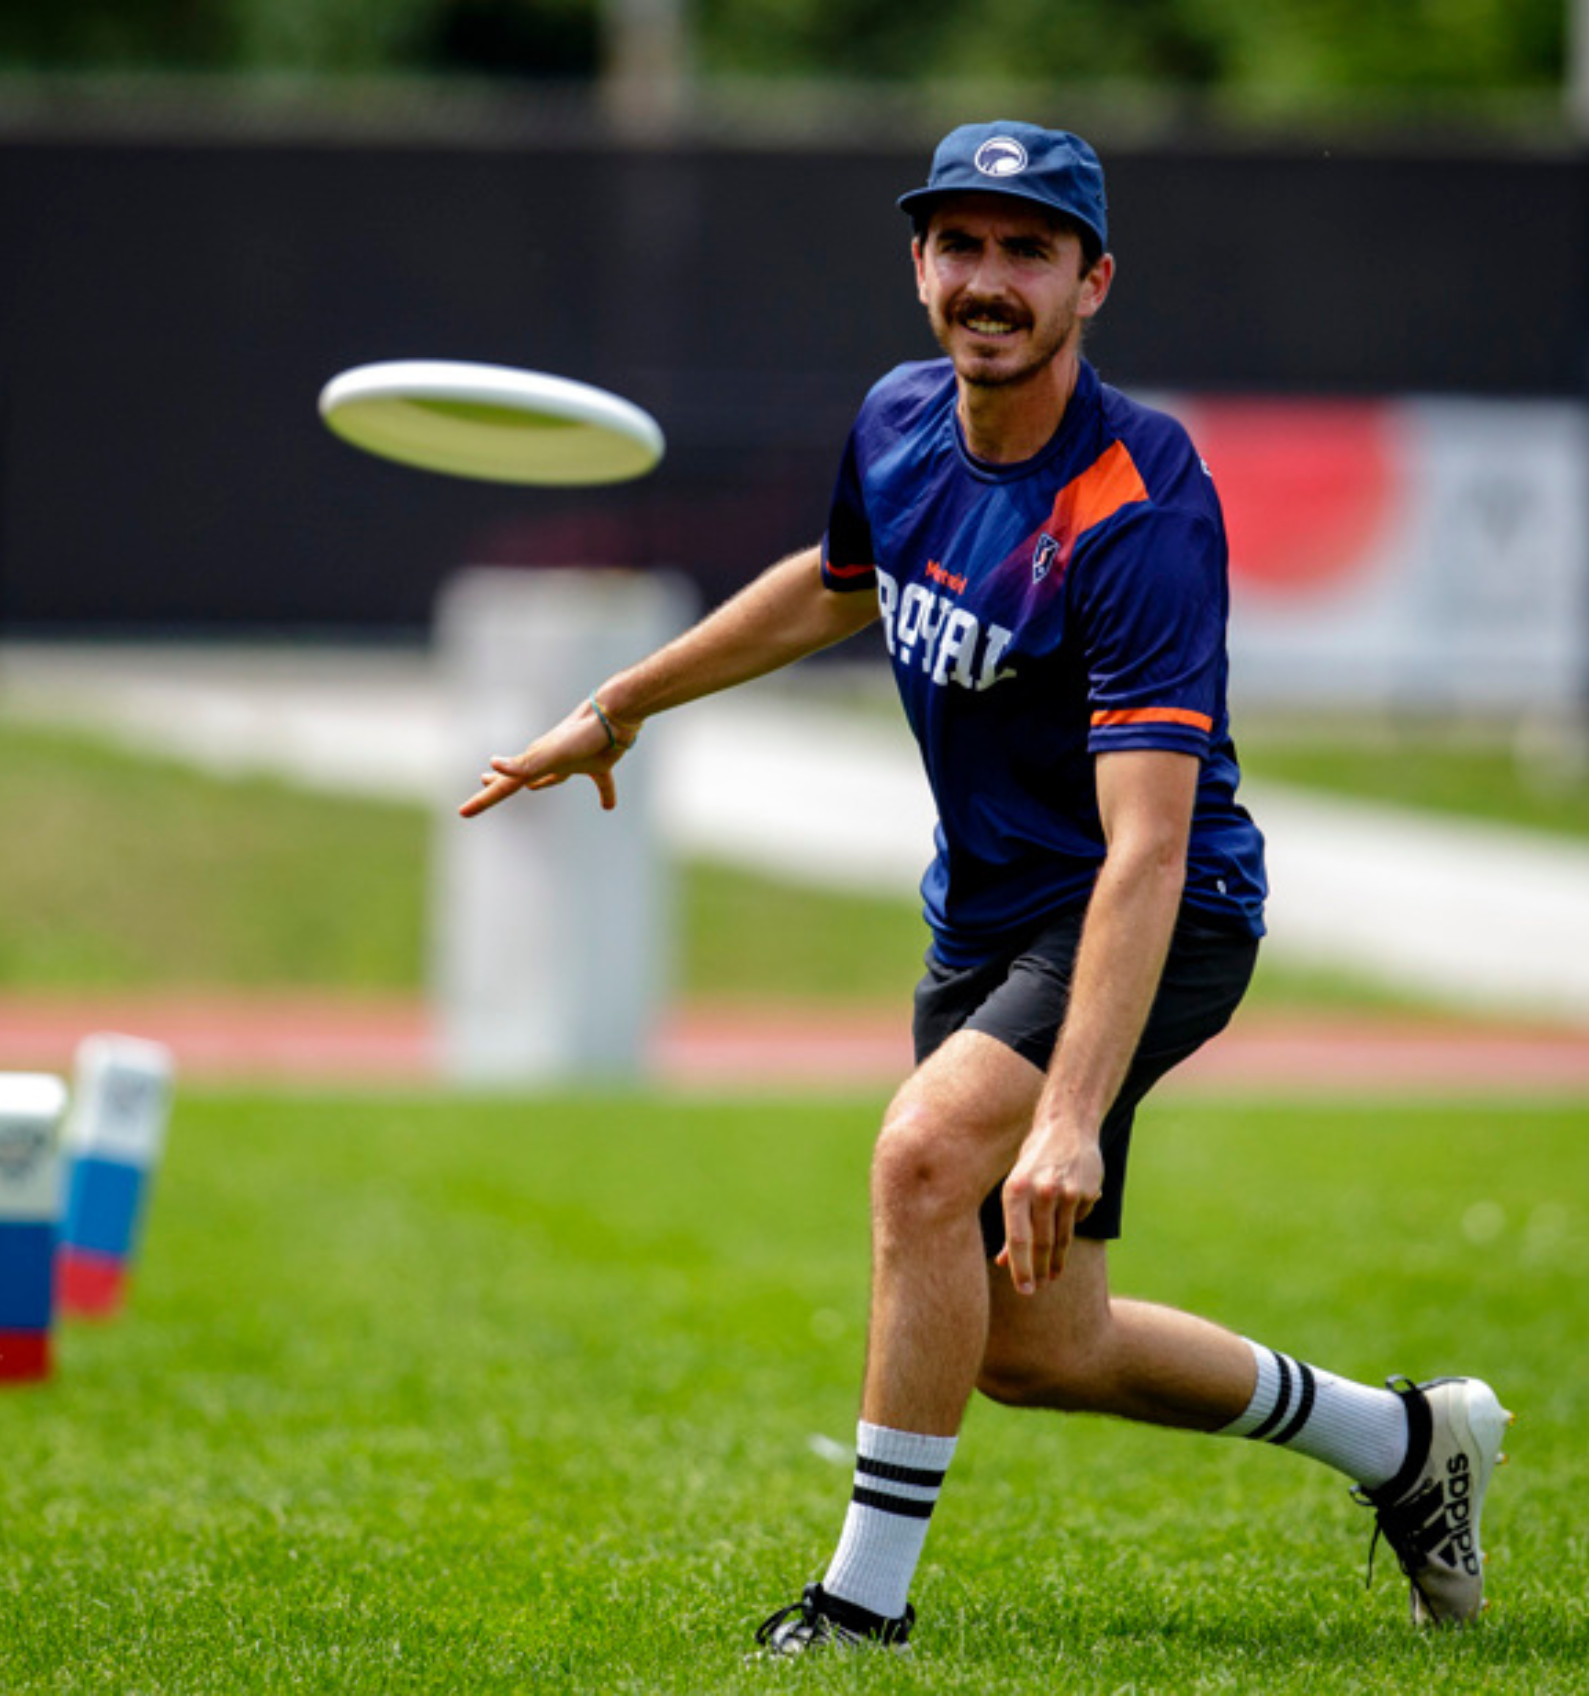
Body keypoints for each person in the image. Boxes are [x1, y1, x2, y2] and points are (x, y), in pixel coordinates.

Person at [457, 120, 1511, 1656]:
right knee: (1037, 1346)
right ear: (919, 266)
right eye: (962, 245)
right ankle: (1406, 1444)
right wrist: (619, 706)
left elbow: (1148, 845)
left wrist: (1071, 1112)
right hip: (990, 915)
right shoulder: (897, 421)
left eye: (1028, 251)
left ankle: (857, 1613)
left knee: (920, 1162)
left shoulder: (1137, 506)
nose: (990, 281)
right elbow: (836, 587)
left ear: (1094, 282)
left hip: (1162, 914)